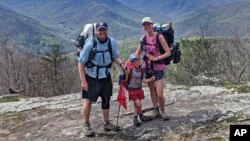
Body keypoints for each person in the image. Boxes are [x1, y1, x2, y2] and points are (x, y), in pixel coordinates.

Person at [78, 22, 125, 136]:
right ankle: (86, 125)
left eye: (104, 30)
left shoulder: (111, 42)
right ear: (96, 31)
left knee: (106, 99)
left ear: (107, 30)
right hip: (92, 76)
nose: (102, 32)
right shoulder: (91, 44)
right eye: (100, 30)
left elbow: (115, 56)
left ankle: (106, 123)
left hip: (105, 75)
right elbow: (81, 63)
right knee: (88, 100)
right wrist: (83, 81)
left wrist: (122, 64)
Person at [135, 17, 171, 120]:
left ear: (152, 24)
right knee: (152, 90)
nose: (147, 26)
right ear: (143, 26)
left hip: (159, 67)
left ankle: (162, 111)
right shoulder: (143, 39)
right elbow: (137, 54)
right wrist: (127, 63)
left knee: (159, 93)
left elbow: (168, 52)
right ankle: (156, 109)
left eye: (148, 24)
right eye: (144, 25)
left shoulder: (159, 37)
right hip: (148, 68)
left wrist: (156, 58)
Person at [124, 53, 154, 126]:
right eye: (134, 61)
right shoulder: (130, 70)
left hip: (139, 89)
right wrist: (126, 74)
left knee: (136, 105)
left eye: (137, 60)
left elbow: (144, 80)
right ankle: (141, 115)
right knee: (138, 104)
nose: (136, 62)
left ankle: (135, 118)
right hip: (132, 90)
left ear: (139, 60)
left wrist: (151, 79)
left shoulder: (142, 70)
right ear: (131, 63)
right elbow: (126, 80)